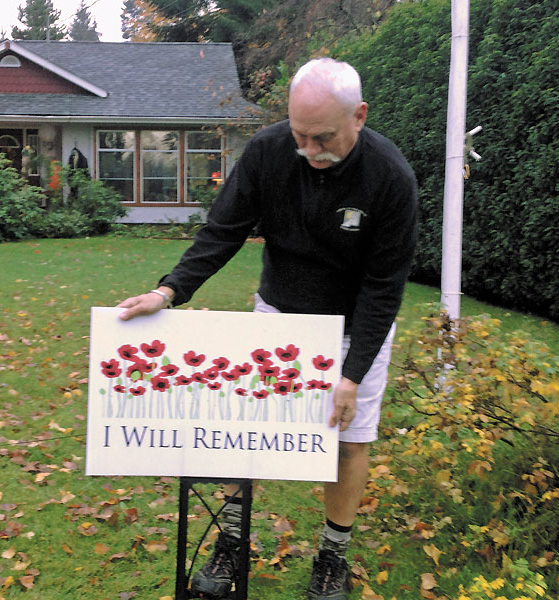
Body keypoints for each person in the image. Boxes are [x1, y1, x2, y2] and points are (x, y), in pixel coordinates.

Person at [117, 57, 418, 600]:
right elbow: (221, 232)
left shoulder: (391, 178)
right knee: (243, 433)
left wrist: (351, 374)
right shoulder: (267, 151)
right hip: (278, 316)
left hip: (354, 325)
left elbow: (383, 288)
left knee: (349, 443)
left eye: (322, 138)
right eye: (300, 135)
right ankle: (231, 543)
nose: (308, 151)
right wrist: (168, 291)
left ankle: (333, 556)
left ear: (360, 117)